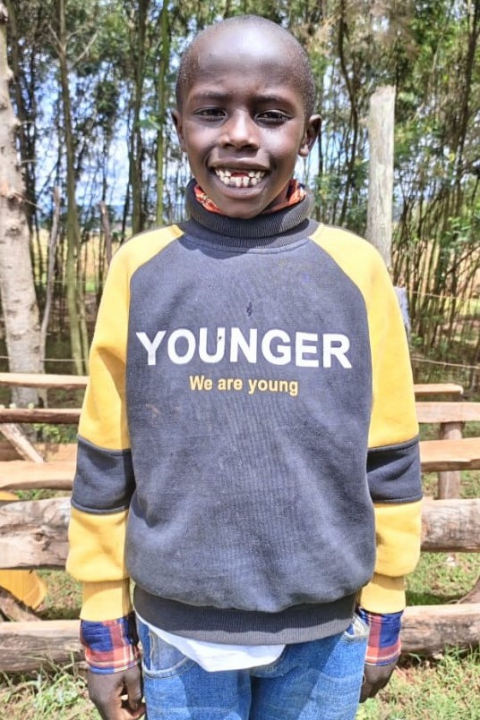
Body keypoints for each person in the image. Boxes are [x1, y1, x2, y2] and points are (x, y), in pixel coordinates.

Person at [67, 14, 422, 720]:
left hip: (326, 633)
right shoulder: (141, 269)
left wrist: (386, 598)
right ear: (179, 127)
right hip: (178, 632)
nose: (238, 135)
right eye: (212, 111)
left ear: (308, 134)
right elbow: (106, 458)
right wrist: (104, 619)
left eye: (270, 114)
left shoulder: (355, 272)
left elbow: (390, 454)